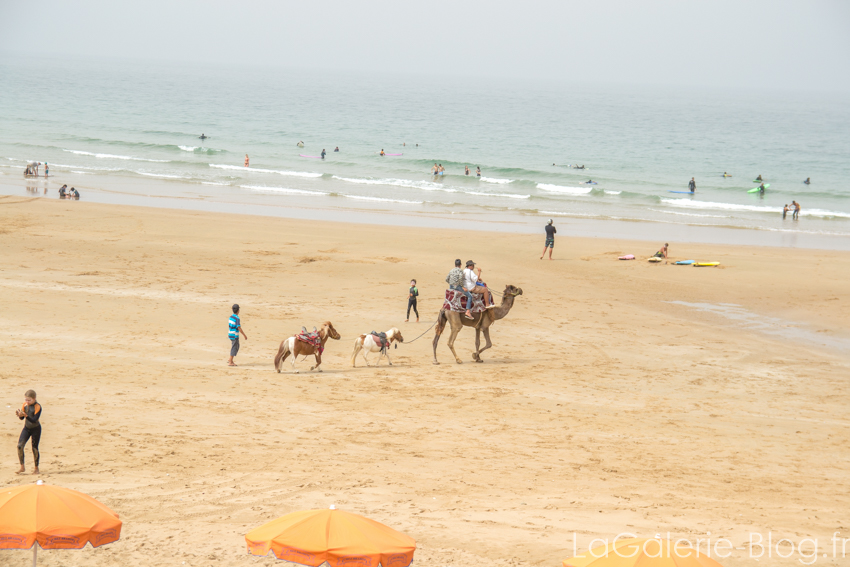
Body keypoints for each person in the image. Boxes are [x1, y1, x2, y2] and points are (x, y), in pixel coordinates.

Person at [16, 389, 41, 475]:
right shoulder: (25, 405)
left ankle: (36, 468)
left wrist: (26, 416)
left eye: (29, 400)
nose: (27, 401)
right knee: (19, 446)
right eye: (26, 399)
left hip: (36, 429)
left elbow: (34, 419)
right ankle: (22, 467)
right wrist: (20, 415)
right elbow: (22, 418)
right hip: (27, 428)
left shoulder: (37, 407)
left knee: (34, 448)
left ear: (34, 399)